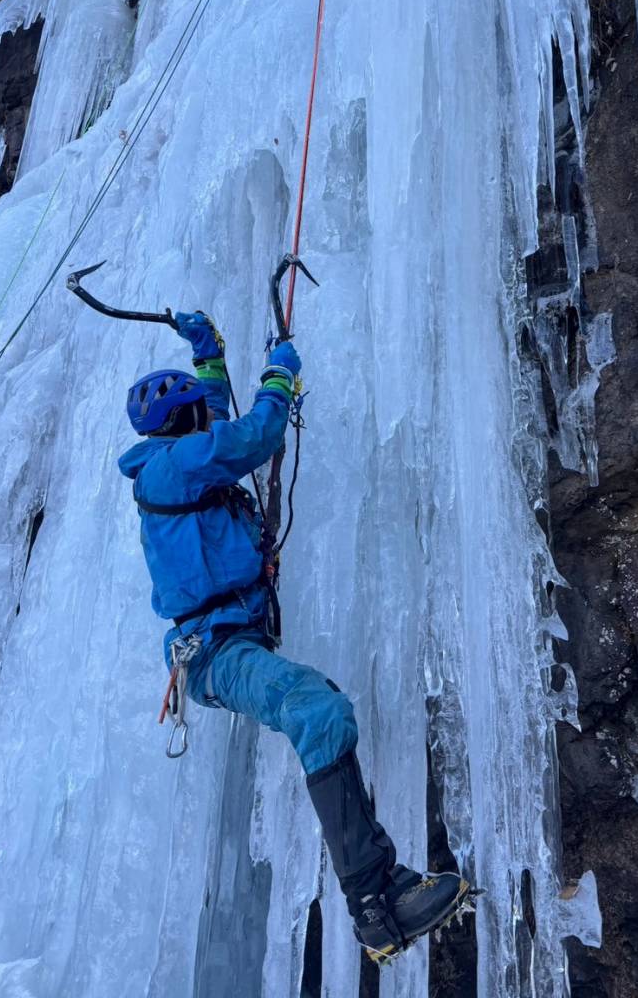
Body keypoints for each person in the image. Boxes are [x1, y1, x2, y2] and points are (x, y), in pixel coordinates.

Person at [118, 311, 469, 962]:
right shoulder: (173, 469)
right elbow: (252, 436)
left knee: (319, 708)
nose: (206, 418)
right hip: (216, 654)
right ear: (183, 424)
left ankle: (378, 892)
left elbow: (216, 420)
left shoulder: (176, 461)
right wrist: (279, 376)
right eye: (198, 411)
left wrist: (204, 347)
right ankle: (375, 904)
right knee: (319, 711)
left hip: (225, 644)